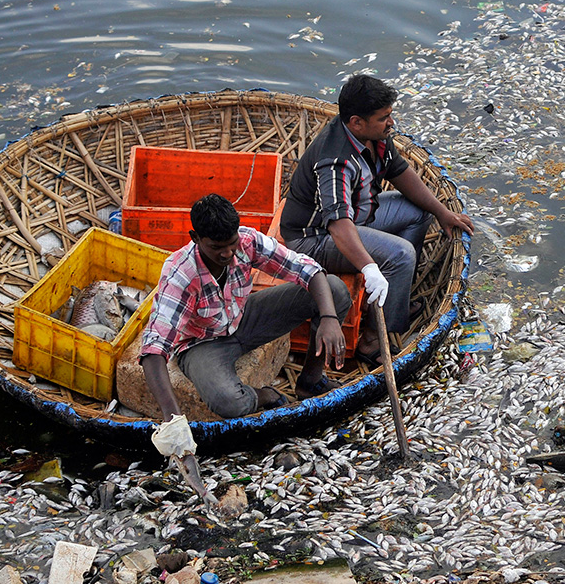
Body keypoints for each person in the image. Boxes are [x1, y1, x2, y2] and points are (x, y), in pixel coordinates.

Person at [279, 74, 473, 366]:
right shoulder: (335, 161)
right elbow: (338, 224)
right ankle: (371, 339)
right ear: (356, 122)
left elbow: (400, 172)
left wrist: (441, 212)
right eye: (384, 118)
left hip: (359, 214)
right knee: (400, 253)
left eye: (390, 115)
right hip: (314, 237)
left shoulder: (375, 136)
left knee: (418, 211)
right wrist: (369, 268)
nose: (391, 123)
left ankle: (395, 297)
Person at [140, 193, 350, 439]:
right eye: (216, 247)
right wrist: (173, 421)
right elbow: (154, 348)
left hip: (243, 317)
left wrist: (329, 318)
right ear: (195, 238)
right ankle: (264, 395)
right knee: (230, 402)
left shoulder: (248, 241)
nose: (228, 253)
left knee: (334, 291)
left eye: (231, 243)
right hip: (201, 343)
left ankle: (311, 382)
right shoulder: (180, 274)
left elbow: (306, 269)